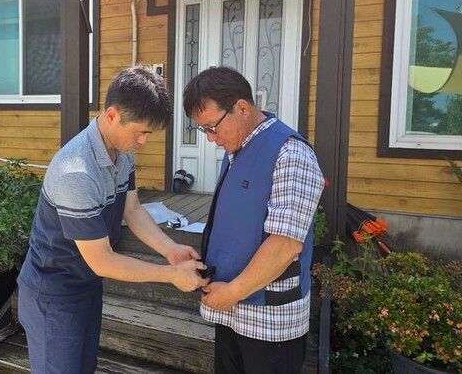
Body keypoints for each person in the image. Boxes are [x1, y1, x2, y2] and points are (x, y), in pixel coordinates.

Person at [17, 66, 208, 374]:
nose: (143, 141)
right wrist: (171, 274)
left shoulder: (123, 151)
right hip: (53, 291)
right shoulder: (76, 172)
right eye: (140, 132)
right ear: (112, 115)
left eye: (148, 134)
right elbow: (103, 261)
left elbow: (132, 210)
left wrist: (170, 249)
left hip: (87, 285)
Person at [183, 67, 325, 374]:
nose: (211, 139)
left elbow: (285, 245)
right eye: (203, 130)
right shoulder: (236, 149)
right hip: (231, 311)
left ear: (242, 108)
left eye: (212, 127)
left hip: (269, 321)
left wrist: (233, 292)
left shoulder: (291, 153)